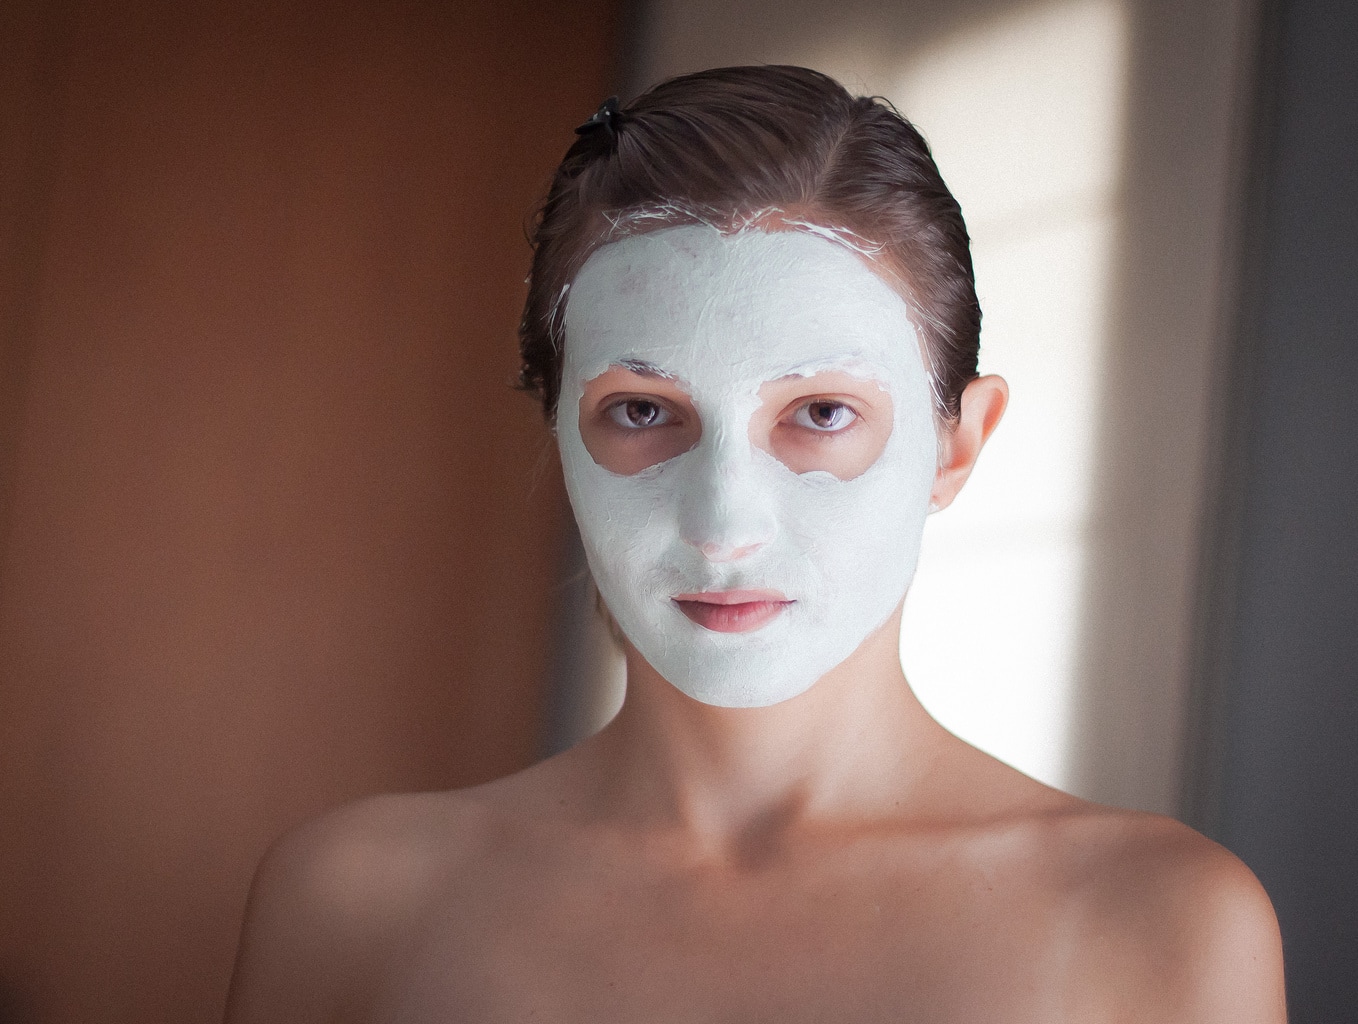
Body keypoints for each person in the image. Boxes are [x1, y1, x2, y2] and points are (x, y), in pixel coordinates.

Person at [224, 66, 1286, 1023]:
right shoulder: (350, 904)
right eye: (641, 411)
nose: (723, 526)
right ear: (555, 431)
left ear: (957, 444)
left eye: (819, 413)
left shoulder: (1161, 924)